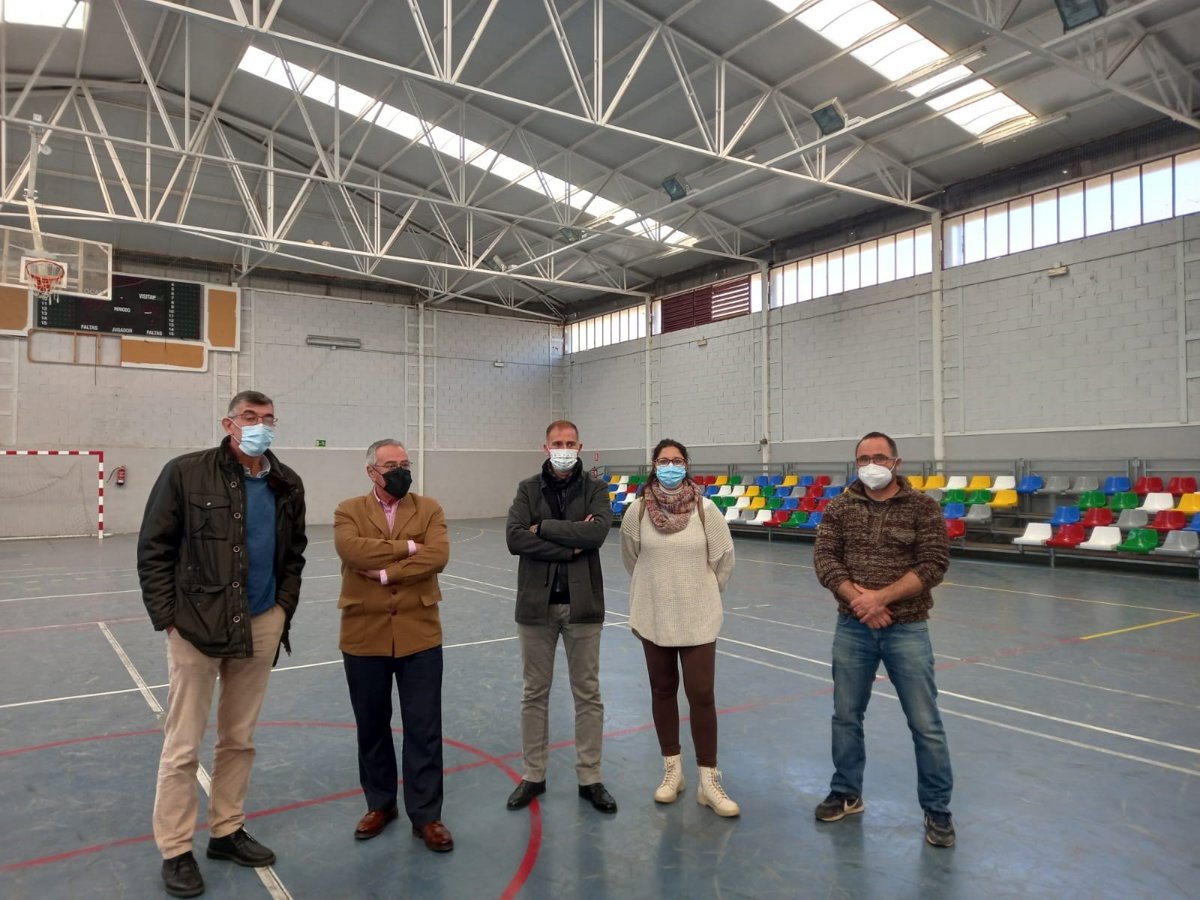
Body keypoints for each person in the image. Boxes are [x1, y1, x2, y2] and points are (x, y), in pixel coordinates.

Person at [138, 391, 307, 898]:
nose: (260, 425)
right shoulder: (185, 472)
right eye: (249, 417)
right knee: (182, 746)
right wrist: (169, 619)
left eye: (267, 418)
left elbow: (293, 554)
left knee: (239, 738)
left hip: (260, 622)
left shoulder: (286, 482)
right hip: (195, 627)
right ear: (228, 423)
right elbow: (154, 548)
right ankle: (176, 849)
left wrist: (281, 610)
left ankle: (227, 830)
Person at [812, 431, 955, 848]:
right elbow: (825, 559)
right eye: (863, 458)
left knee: (925, 724)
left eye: (879, 457)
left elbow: (934, 564)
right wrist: (860, 602)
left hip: (907, 629)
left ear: (896, 462)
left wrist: (881, 598)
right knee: (845, 716)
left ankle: (937, 808)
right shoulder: (840, 507)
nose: (871, 465)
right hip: (853, 628)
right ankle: (846, 792)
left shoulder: (923, 508)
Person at [333, 440, 453, 852]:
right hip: (364, 634)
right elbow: (352, 550)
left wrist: (386, 573)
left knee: (424, 727)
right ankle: (380, 804)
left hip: (420, 634)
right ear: (372, 472)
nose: (401, 470)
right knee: (372, 725)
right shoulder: (348, 510)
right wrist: (409, 547)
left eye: (405, 463)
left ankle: (427, 815)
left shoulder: (429, 508)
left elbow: (438, 556)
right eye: (391, 465)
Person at [621, 439, 738, 816]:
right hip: (654, 613)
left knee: (702, 694)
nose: (670, 466)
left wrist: (699, 592)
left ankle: (708, 780)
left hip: (698, 616)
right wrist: (659, 586)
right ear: (653, 466)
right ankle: (673, 771)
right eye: (663, 460)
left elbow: (723, 559)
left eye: (676, 460)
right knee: (662, 690)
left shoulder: (707, 510)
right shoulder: (637, 511)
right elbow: (632, 558)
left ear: (686, 464)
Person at [505, 420, 616, 814]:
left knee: (588, 693)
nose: (564, 448)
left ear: (580, 446)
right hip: (536, 607)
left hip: (583, 605)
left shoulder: (596, 489)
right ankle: (533, 774)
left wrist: (545, 529)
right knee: (534, 693)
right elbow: (515, 538)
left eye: (570, 443)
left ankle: (590, 777)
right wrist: (568, 547)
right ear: (546, 447)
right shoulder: (527, 488)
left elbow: (597, 534)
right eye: (557, 443)